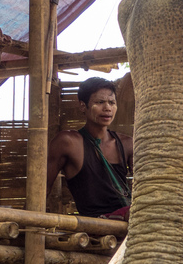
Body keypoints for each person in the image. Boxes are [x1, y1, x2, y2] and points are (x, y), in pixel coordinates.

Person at [48, 76, 133, 219]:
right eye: (100, 102)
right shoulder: (68, 142)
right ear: (83, 106)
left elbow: (148, 187)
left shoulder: (126, 143)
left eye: (112, 102)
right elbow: (41, 189)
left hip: (129, 220)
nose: (107, 108)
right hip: (95, 224)